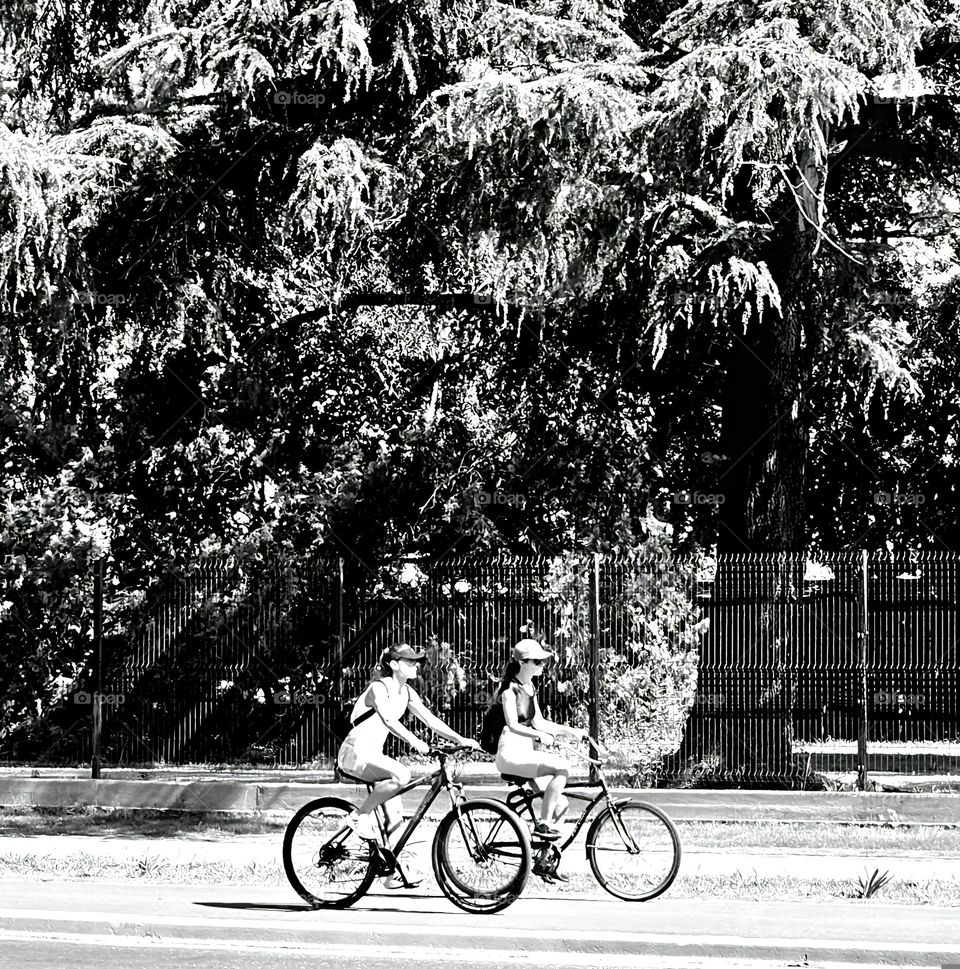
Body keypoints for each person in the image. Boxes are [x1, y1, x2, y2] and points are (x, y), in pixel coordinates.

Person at [337, 642, 479, 888]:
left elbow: (430, 719)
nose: (416, 665)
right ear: (393, 665)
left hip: (373, 756)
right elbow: (389, 720)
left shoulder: (407, 692)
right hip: (355, 754)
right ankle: (359, 816)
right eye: (410, 661)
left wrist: (459, 739)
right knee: (400, 774)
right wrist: (416, 742)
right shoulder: (378, 688)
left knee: (395, 818)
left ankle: (391, 874)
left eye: (417, 661)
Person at [493, 638, 588, 876]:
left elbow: (540, 722)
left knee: (562, 804)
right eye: (537, 661)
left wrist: (570, 731)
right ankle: (543, 825)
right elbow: (513, 725)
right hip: (510, 753)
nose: (542, 665)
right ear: (523, 663)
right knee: (562, 767)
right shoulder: (509, 691)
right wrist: (537, 735)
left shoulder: (530, 689)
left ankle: (544, 862)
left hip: (526, 752)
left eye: (542, 661)